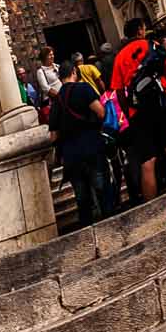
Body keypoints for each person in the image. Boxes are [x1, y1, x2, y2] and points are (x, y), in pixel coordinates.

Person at [110, 17, 166, 202]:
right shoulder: (151, 45)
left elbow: (119, 92)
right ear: (139, 30)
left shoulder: (119, 58)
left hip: (137, 112)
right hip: (160, 103)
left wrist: (129, 113)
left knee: (147, 160)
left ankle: (151, 207)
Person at [49, 58, 111, 225]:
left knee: (82, 199)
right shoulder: (83, 88)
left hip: (71, 155)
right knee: (102, 190)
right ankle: (110, 225)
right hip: (91, 146)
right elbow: (100, 112)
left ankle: (87, 233)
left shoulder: (57, 100)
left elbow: (53, 136)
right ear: (74, 73)